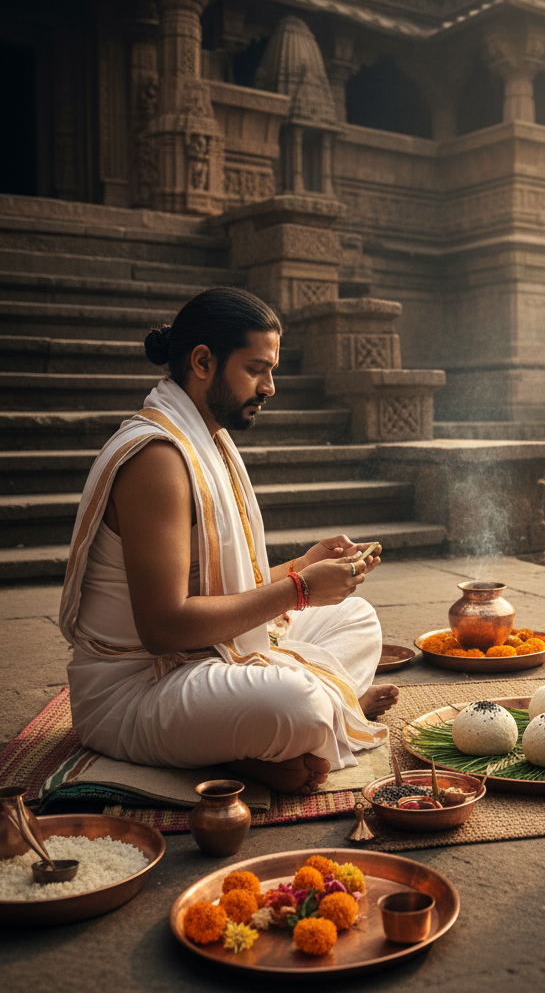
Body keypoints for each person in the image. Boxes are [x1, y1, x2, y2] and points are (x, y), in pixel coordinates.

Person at [60, 287, 399, 795]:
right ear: (203, 361)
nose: (270, 387)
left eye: (272, 371)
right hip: (138, 689)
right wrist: (299, 591)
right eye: (257, 369)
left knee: (357, 618)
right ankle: (326, 710)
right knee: (298, 705)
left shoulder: (206, 437)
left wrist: (301, 567)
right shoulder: (158, 458)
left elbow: (219, 591)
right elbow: (164, 628)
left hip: (200, 662)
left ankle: (316, 716)